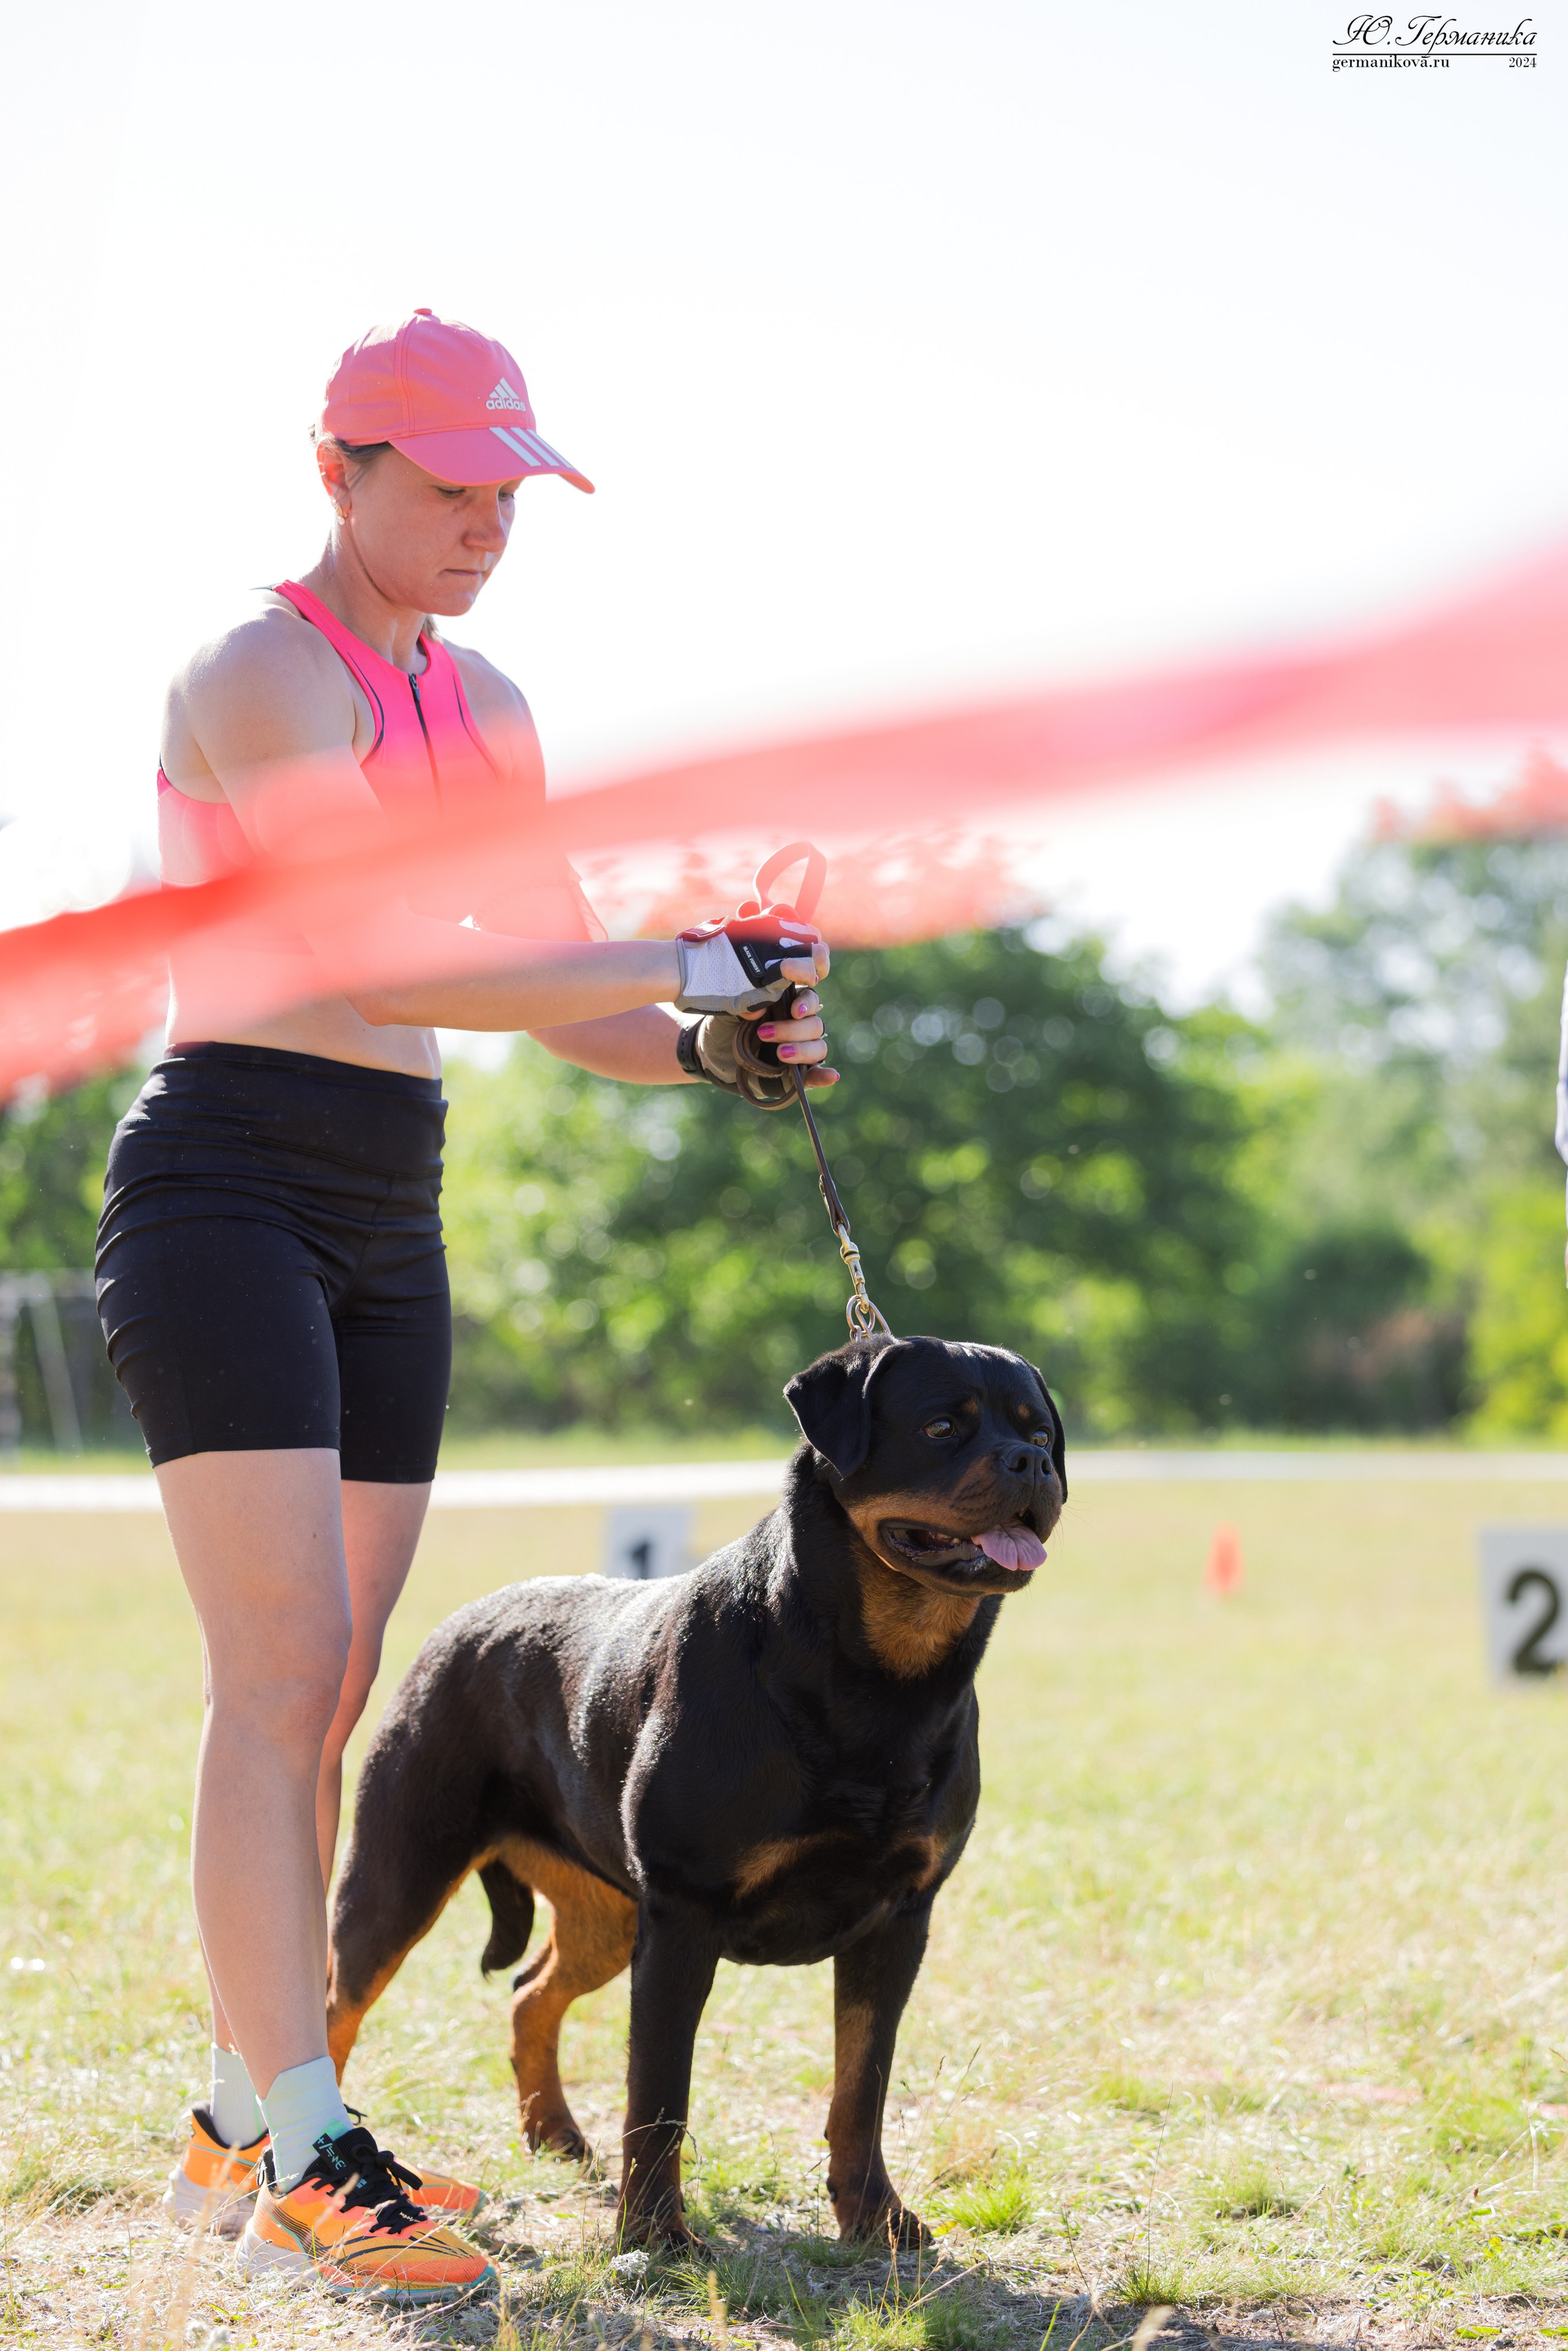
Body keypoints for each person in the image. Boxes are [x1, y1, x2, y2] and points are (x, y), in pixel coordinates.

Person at [95, 309, 837, 2306]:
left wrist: (712, 1043)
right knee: (285, 1666)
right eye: (449, 487)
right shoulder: (255, 667)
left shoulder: (490, 702)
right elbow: (366, 947)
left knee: (335, 1686)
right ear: (336, 472)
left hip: (388, 1205)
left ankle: (246, 2115)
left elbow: (537, 979)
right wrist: (681, 949)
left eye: (511, 492)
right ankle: (310, 2144)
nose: (488, 523)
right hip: (228, 1176)